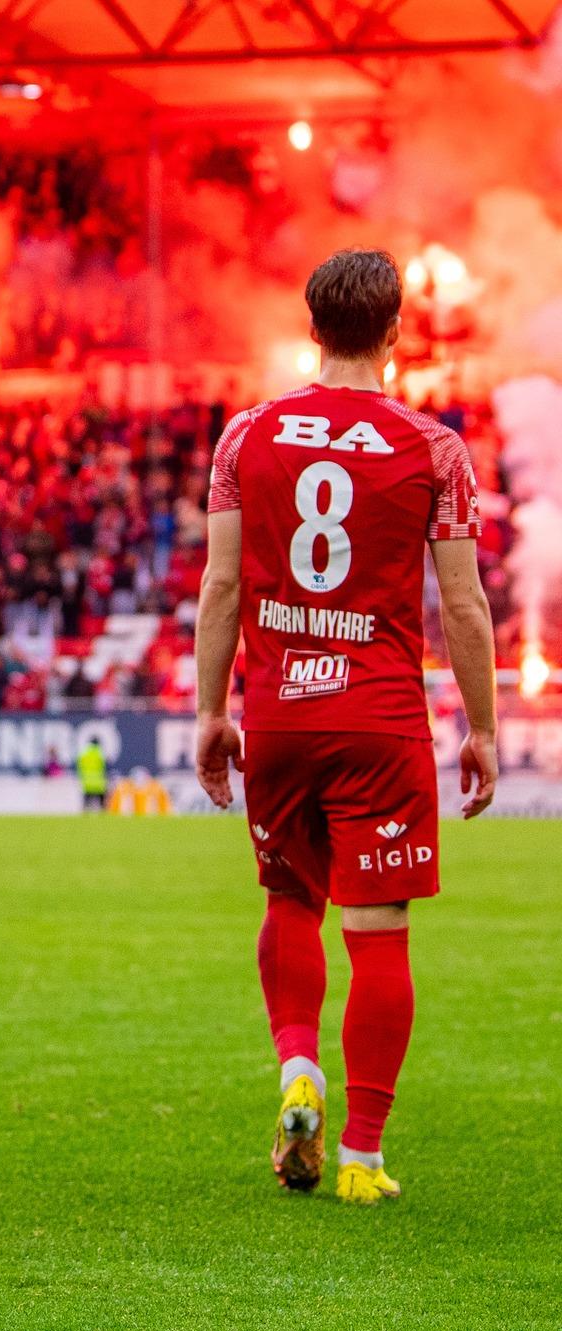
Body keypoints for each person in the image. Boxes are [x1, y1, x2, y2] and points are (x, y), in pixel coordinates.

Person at [194, 247, 497, 1206]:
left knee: (290, 901)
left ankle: (298, 1066)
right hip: (380, 719)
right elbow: (464, 605)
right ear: (395, 332)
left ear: (314, 327)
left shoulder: (246, 436)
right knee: (379, 933)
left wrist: (211, 712)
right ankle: (362, 1156)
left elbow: (221, 586)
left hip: (281, 715)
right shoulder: (435, 449)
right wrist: (483, 729)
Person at [77, 737, 109, 812]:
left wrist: (82, 776)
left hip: (87, 781)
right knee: (101, 803)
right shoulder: (100, 753)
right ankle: (103, 813)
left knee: (86, 801)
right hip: (98, 781)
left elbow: (79, 766)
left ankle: (85, 813)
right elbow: (104, 766)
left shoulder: (84, 753)